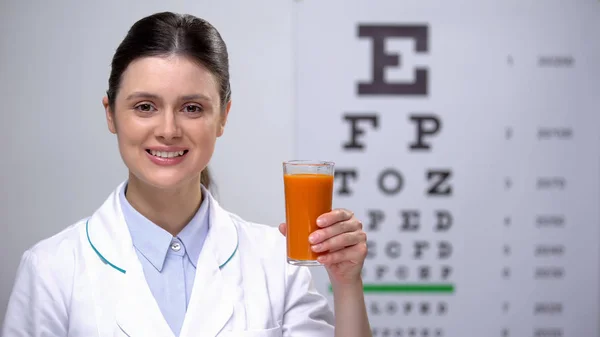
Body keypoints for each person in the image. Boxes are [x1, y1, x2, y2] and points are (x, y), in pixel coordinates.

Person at [1, 11, 371, 337]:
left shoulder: (275, 263)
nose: (168, 129)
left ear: (223, 116)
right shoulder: (52, 268)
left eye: (192, 108)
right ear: (110, 114)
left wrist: (346, 284)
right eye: (145, 106)